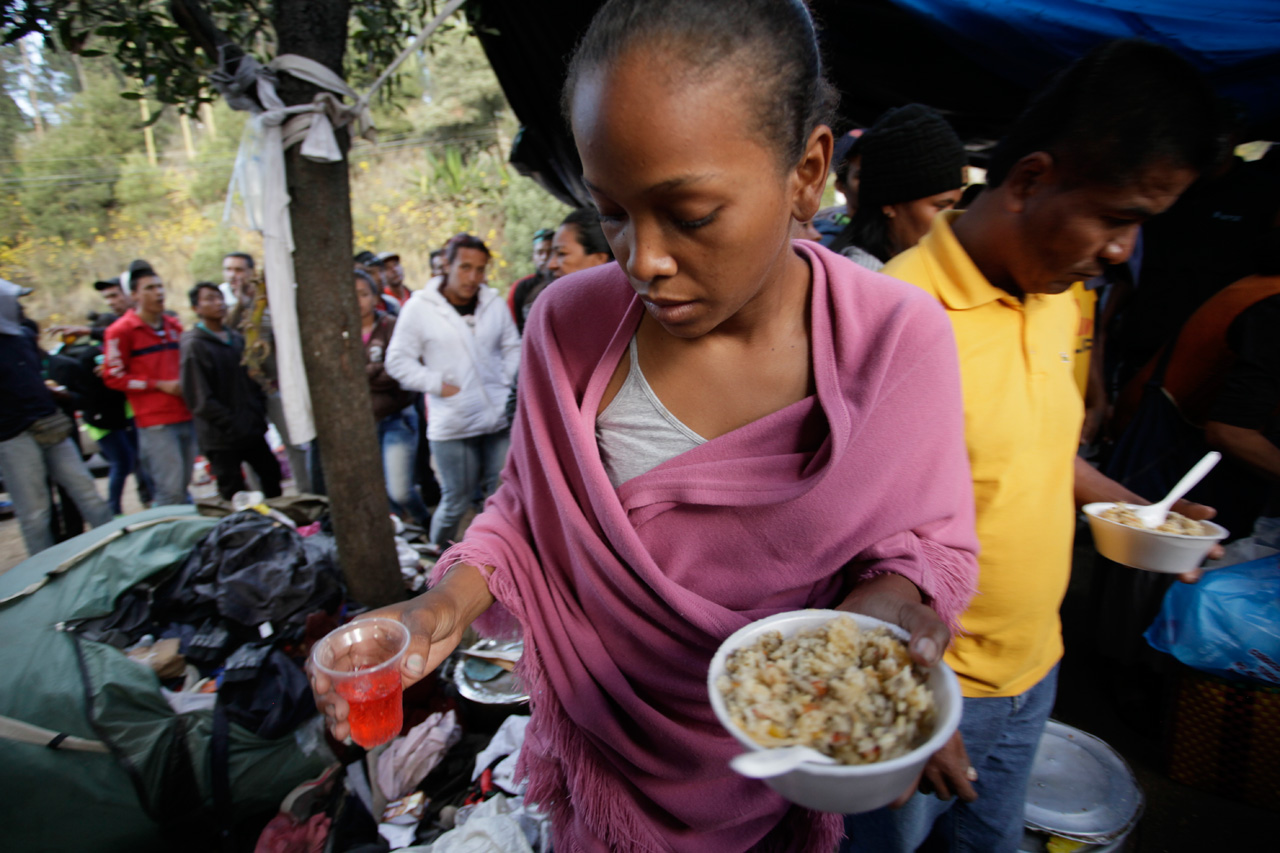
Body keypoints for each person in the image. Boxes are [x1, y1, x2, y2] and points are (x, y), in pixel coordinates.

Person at [315, 2, 980, 849]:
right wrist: (440, 605)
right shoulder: (569, 325)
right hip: (604, 770)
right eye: (614, 213)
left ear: (808, 171)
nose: (644, 260)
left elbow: (922, 544)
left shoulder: (895, 341)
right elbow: (524, 515)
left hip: (785, 763)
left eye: (691, 214)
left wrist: (879, 626)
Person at [842, 40, 1224, 853]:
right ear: (1029, 180)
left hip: (1035, 667)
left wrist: (1138, 510)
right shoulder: (892, 316)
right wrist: (910, 703)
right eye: (1117, 217)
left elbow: (1036, 455)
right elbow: (835, 541)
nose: (1122, 250)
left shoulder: (1058, 297)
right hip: (932, 685)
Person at [385, 233, 520, 551]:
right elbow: (397, 360)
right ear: (446, 265)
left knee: (500, 495)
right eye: (465, 267)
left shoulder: (493, 303)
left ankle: (494, 557)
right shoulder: (420, 308)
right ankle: (435, 559)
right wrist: (437, 385)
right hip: (453, 423)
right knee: (456, 501)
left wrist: (504, 379)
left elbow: (512, 346)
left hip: (498, 419)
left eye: (480, 269)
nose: (472, 277)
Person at [0, 280, 112, 557]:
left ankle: (117, 550)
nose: (20, 307)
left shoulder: (23, 335)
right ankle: (44, 574)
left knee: (86, 490)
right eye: (14, 301)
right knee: (35, 510)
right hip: (14, 436)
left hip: (51, 426)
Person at [829, 104, 967, 271]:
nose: (952, 219)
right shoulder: (865, 278)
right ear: (890, 205)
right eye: (941, 206)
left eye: (957, 205)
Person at [102, 264, 196, 507]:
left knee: (183, 486)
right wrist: (157, 384)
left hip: (185, 415)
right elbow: (113, 376)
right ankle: (166, 538)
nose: (158, 293)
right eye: (150, 288)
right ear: (134, 295)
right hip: (155, 424)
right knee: (170, 491)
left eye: (160, 286)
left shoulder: (173, 326)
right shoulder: (120, 331)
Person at [179, 282, 282, 502]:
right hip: (221, 437)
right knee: (233, 491)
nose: (217, 303)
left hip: (252, 429)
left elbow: (252, 380)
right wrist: (233, 423)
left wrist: (256, 414)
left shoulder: (236, 339)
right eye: (209, 299)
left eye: (219, 298)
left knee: (271, 477)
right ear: (196, 308)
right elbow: (199, 399)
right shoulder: (194, 346)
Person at [224, 251, 313, 493]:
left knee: (295, 441)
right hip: (244, 395)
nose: (234, 276)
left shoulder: (270, 300)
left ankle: (306, 496)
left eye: (240, 270)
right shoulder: (220, 304)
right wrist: (240, 306)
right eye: (229, 270)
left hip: (273, 386)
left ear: (252, 273)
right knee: (253, 449)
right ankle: (262, 502)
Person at [353, 269, 432, 527]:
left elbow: (397, 371)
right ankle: (403, 535)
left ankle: (428, 526)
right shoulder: (341, 335)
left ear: (375, 296)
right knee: (379, 490)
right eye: (352, 295)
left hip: (397, 416)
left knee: (400, 489)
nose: (358, 301)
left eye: (364, 294)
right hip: (362, 423)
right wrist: (376, 369)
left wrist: (363, 374)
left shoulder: (390, 325)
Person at [46, 330, 141, 516]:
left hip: (114, 418)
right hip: (100, 421)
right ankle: (113, 508)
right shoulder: (92, 356)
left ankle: (117, 507)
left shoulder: (110, 354)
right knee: (122, 462)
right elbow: (91, 393)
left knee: (128, 460)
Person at [507, 228, 555, 332]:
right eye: (540, 252)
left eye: (550, 252)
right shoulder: (520, 287)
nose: (545, 257)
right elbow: (512, 326)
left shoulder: (566, 283)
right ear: (533, 256)